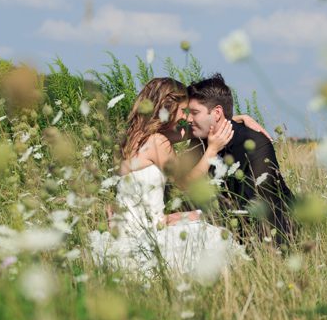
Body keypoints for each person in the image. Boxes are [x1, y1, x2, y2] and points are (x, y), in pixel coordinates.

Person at [88, 77, 265, 280]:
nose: (188, 118)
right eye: (183, 111)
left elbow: (188, 134)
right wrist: (212, 151)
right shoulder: (157, 142)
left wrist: (234, 119)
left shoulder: (132, 139)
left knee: (196, 215)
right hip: (147, 231)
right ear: (167, 108)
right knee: (211, 235)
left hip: (127, 229)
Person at [184, 74, 295, 246]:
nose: (188, 119)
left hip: (271, 235)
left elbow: (255, 206)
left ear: (217, 113)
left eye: (194, 113)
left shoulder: (254, 144)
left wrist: (198, 215)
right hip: (224, 227)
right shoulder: (199, 141)